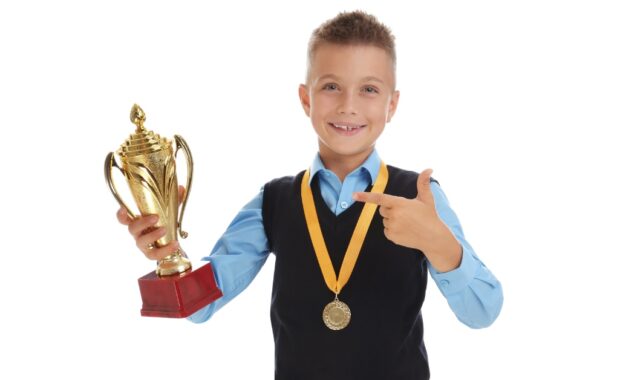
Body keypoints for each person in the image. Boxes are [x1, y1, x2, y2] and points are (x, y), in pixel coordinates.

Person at [117, 10, 503, 380]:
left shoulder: (420, 199)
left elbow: (483, 312)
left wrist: (439, 244)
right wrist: (169, 254)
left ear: (392, 105)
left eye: (369, 89)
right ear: (306, 99)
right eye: (331, 86)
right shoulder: (274, 201)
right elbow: (201, 307)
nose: (349, 105)